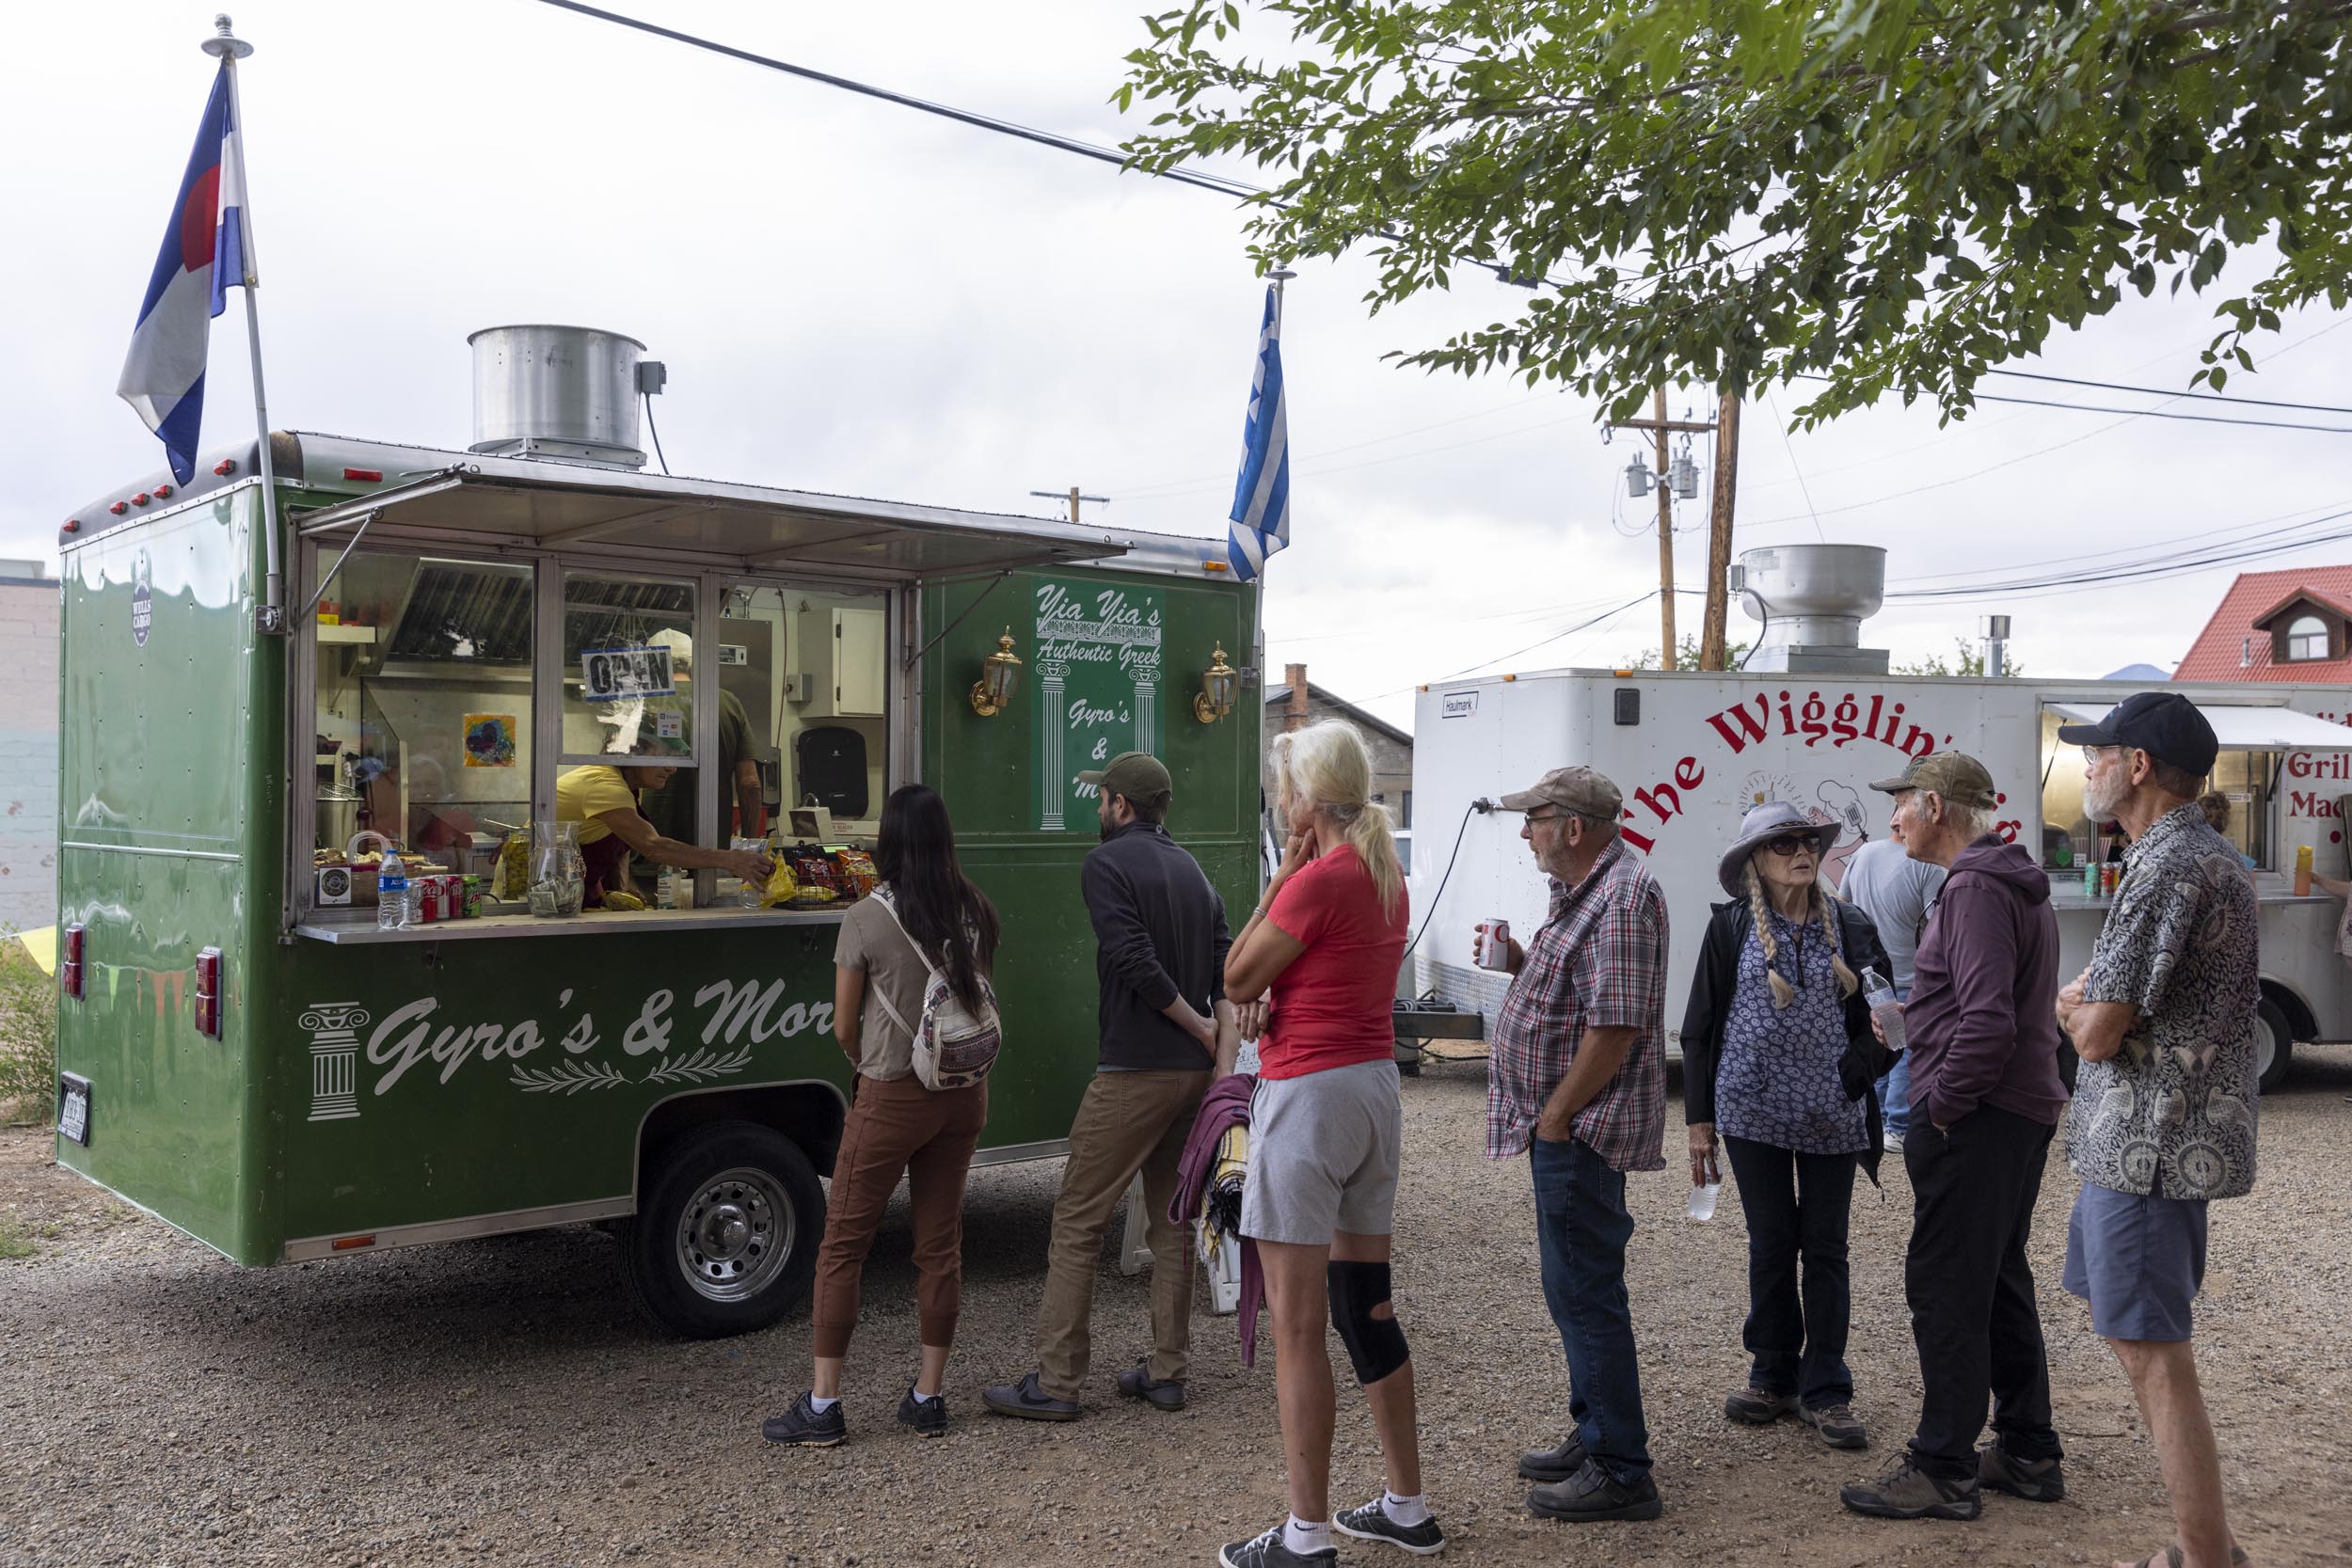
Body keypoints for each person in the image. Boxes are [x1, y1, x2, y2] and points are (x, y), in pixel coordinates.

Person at [1216, 721, 1441, 1567]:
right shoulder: (1384, 873)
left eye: (1285, 789)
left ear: (1309, 797)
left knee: (1298, 1327)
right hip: (1372, 1087)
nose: (1280, 800)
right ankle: (1405, 1505)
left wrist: (1281, 874)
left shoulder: (1316, 879)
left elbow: (1237, 971)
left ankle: (1306, 1533)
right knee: (1365, 1303)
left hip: (1308, 1094)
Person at [2052, 693, 2259, 1568]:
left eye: (2098, 753)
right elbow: (2107, 999)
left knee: (2150, 1349)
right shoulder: (2195, 856)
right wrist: (2088, 1003)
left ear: (2137, 765)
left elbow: (2096, 1024)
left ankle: (2205, 1555)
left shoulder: (2169, 864)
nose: (2088, 766)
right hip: (2143, 1143)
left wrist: (2076, 1012)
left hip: (2149, 1149)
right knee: (2138, 1336)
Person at [1838, 753, 2071, 1523]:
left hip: (1978, 1119)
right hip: (2017, 1112)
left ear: (1935, 805)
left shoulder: (1971, 889)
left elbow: (1987, 1022)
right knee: (1998, 1276)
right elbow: (1983, 1004)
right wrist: (1915, 1022)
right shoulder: (2007, 881)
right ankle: (2028, 1450)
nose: (1892, 820)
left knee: (1946, 1288)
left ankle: (1943, 1465)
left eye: (1900, 803)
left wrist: (1938, 1106)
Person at [985, 751, 1236, 1421]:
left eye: (1102, 799)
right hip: (1190, 1076)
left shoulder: (1104, 864)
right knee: (1171, 1221)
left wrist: (1196, 1026)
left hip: (1134, 1069)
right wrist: (1218, 1052)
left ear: (1121, 805)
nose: (1098, 808)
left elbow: (1133, 961)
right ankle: (1167, 1372)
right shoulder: (1194, 871)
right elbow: (1228, 973)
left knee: (1076, 1218)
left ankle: (1058, 1382)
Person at [762, 784, 1001, 1447]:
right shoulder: (975, 907)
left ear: (888, 841)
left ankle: (823, 1405)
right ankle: (929, 1395)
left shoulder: (865, 918)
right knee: (939, 1245)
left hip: (891, 1091)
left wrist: (868, 1056)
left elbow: (844, 1023)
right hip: (963, 1093)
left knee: (843, 1244)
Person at [1482, 766, 1669, 1524]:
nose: (1525, 830)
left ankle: (1622, 1468)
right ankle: (1597, 1436)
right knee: (1575, 1291)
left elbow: (1615, 1029)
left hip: (1581, 1134)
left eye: (1534, 817)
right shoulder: (1589, 893)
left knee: (1587, 1294)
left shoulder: (1622, 897)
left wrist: (1555, 1116)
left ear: (1572, 827)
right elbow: (1588, 997)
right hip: (1569, 1130)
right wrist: (1523, 963)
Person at [1681, 800, 1892, 1453]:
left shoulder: (1852, 927)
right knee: (1772, 1242)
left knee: (1825, 1247)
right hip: (1752, 1113)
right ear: (1755, 864)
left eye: (1808, 840)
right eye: (1784, 844)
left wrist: (1856, 1072)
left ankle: (1826, 1387)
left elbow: (1894, 1022)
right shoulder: (1731, 928)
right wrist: (1699, 1121)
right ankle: (1771, 1372)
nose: (1801, 850)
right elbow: (1699, 1028)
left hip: (1833, 1115)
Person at [1836, 778, 1948, 1150]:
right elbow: (1936, 925)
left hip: (1867, 974)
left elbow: (1842, 903)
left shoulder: (1864, 854)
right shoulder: (1929, 868)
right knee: (1903, 1049)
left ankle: (1880, 1117)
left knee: (1877, 1042)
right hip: (1908, 972)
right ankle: (1898, 1126)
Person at [554, 753, 771, 908]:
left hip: (576, 893)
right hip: (552, 893)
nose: (672, 768)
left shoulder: (626, 786)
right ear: (634, 752)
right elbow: (652, 846)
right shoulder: (605, 784)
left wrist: (618, 895)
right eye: (663, 757)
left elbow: (619, 844)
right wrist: (731, 860)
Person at [634, 630, 765, 879]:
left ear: (653, 664)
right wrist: (747, 845)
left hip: (651, 857)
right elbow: (750, 784)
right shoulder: (727, 703)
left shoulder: (642, 704)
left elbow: (617, 782)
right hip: (714, 858)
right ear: (694, 662)